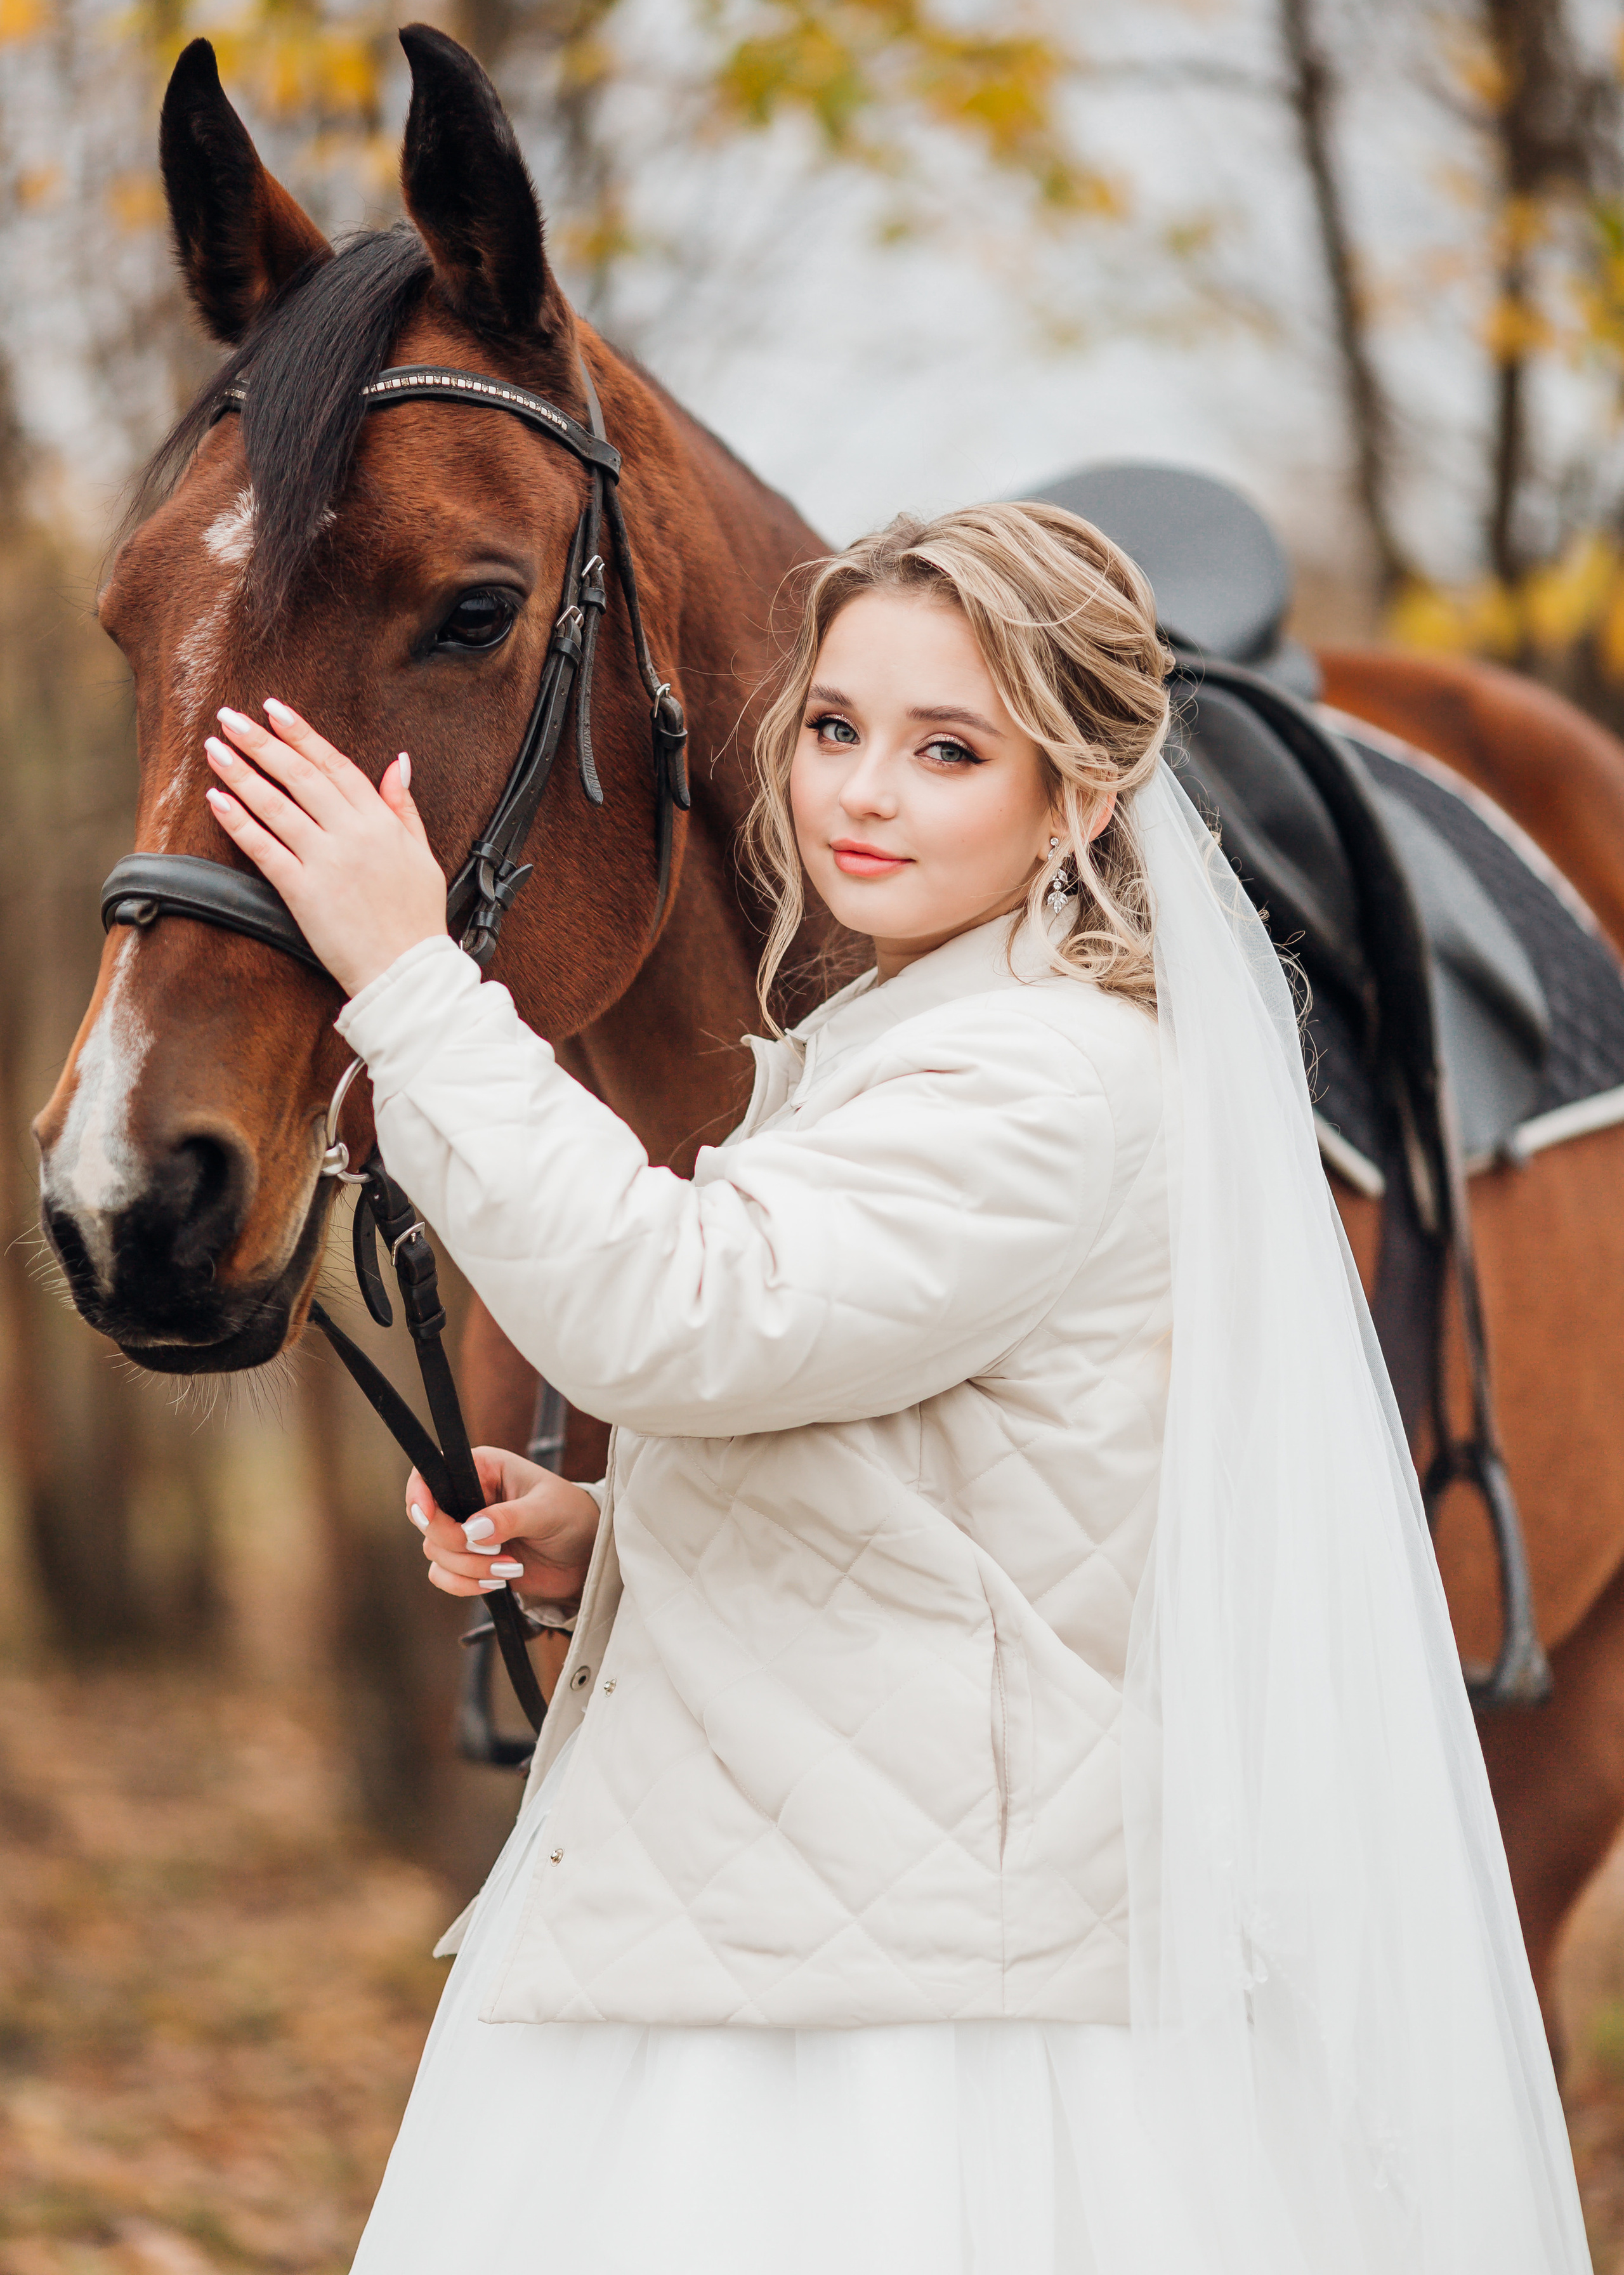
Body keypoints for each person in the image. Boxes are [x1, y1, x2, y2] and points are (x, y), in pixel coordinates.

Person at [202, 501, 1588, 2274]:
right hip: (815, 1884)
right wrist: (606, 1533)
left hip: (914, 1999)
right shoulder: (917, 1036)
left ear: (1077, 796)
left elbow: (671, 1314)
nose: (864, 793)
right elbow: (922, 1460)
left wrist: (409, 976)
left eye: (950, 751)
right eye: (840, 728)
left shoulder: (1040, 1080)